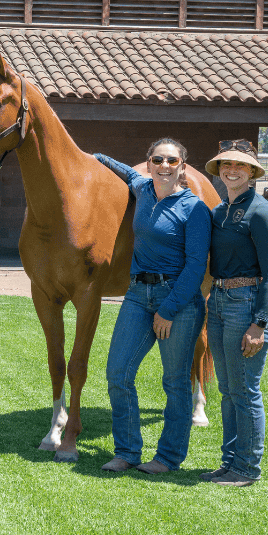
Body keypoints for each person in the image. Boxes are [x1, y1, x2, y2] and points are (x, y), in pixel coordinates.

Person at [94, 139, 211, 474]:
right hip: (136, 295)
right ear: (149, 163)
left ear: (182, 167)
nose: (164, 166)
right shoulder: (143, 188)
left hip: (178, 301)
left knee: (175, 382)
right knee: (118, 372)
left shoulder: (194, 209)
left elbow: (195, 267)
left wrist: (168, 310)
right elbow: (117, 166)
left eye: (171, 161)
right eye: (157, 159)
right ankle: (128, 451)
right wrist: (89, 155)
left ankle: (168, 458)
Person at [202, 140, 268, 487]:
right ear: (219, 170)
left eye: (240, 165)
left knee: (246, 390)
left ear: (252, 171)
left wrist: (259, 323)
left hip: (246, 306)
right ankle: (230, 461)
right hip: (218, 302)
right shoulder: (219, 211)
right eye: (226, 164)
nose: (232, 170)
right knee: (228, 390)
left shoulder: (260, 211)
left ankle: (247, 468)